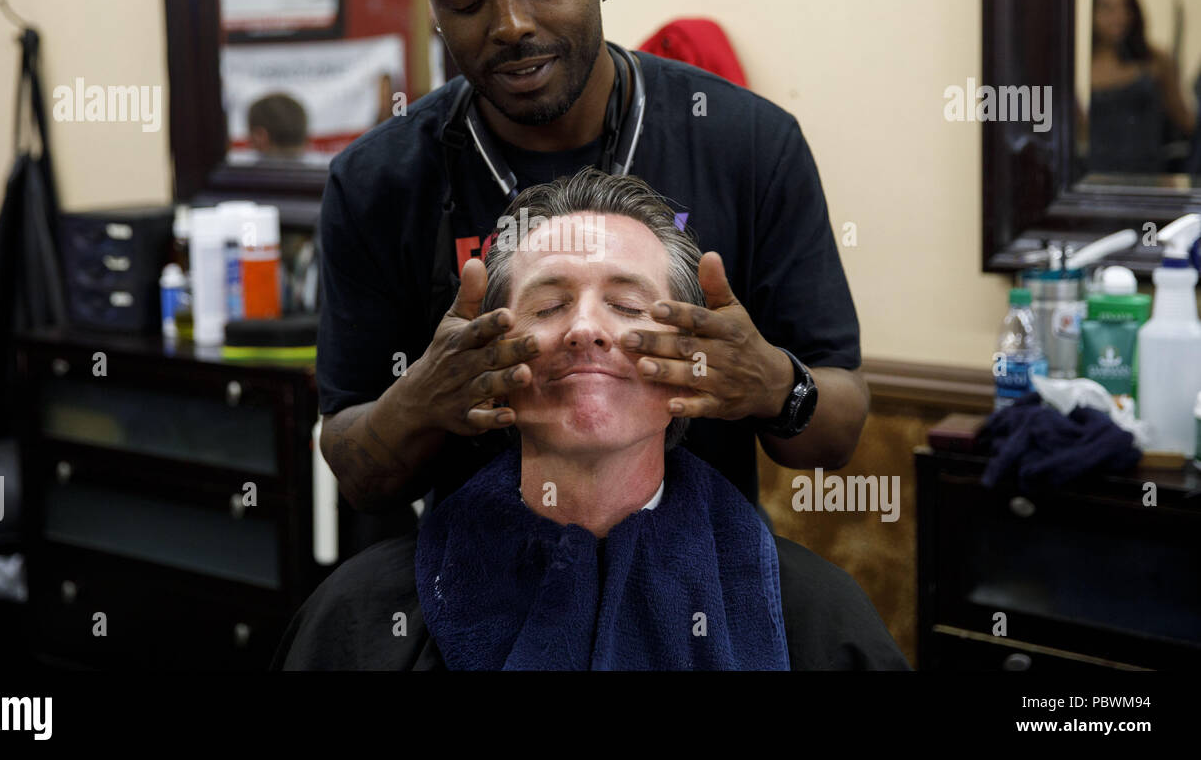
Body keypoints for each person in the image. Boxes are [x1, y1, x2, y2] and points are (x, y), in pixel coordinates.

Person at [317, 0, 869, 521]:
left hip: (696, 601)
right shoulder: (377, 183)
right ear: (431, 2)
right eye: (465, 0)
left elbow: (836, 433)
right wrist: (422, 400)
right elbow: (357, 473)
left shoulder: (751, 146)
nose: (510, 24)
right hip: (476, 594)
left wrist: (774, 386)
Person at [276, 172, 908, 670]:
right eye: (549, 304)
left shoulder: (814, 619)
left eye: (628, 304)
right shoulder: (362, 616)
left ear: (697, 363)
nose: (584, 330)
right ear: (486, 363)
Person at [1080, 0, 1193, 175]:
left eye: (1125, 7)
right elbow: (1079, 130)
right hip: (1097, 175)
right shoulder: (1080, 63)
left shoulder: (1155, 60)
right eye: (1107, 8)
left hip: (1149, 174)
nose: (1118, 17)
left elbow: (1183, 119)